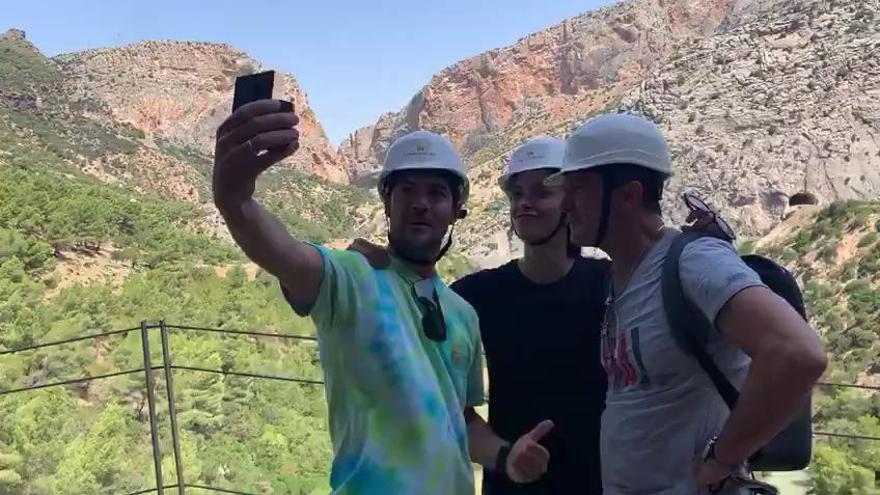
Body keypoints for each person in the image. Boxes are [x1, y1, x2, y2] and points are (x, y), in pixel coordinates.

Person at [349, 136, 727, 494]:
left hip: (605, 484)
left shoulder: (613, 285)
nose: (524, 203)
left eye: (541, 192)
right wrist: (378, 271)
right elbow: (440, 391)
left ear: (571, 202)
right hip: (511, 484)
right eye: (517, 193)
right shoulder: (476, 296)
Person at [212, 99, 552, 494]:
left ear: (456, 209)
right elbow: (286, 255)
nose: (421, 203)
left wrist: (506, 455)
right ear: (387, 204)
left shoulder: (462, 314)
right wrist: (234, 199)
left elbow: (459, 417)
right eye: (406, 190)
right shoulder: (350, 279)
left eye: (437, 193)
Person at [549, 113, 828, 494]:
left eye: (577, 188)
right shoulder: (620, 276)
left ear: (628, 194)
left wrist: (722, 461)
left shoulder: (693, 262)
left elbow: (797, 353)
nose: (564, 204)